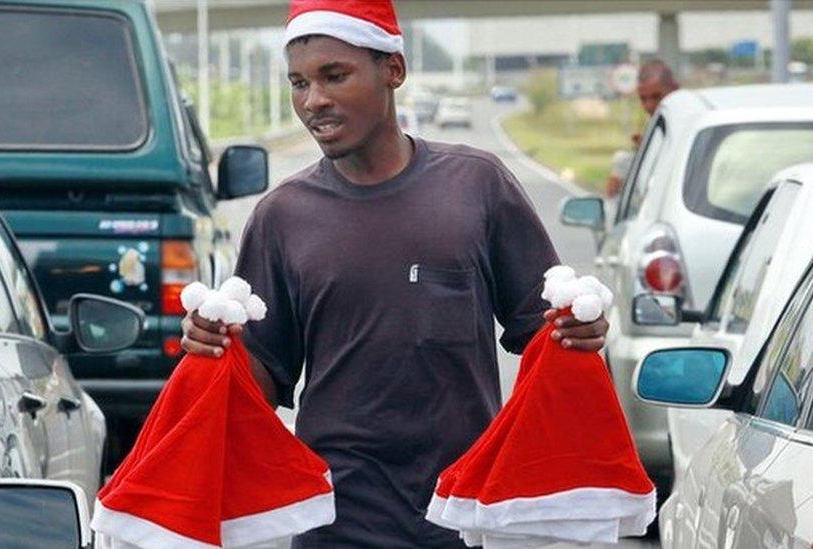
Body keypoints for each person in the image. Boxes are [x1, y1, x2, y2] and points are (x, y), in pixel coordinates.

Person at [182, 1, 609, 547]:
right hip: (336, 520)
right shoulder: (282, 217)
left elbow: (546, 333)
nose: (314, 102)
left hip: (461, 516)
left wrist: (583, 331)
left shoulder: (477, 186)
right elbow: (262, 374)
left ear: (394, 71)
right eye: (298, 83)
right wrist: (215, 350)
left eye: (335, 76)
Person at [605, 59, 679, 198]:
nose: (649, 106)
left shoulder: (693, 123)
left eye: (657, 97)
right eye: (643, 99)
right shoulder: (655, 123)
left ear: (675, 89)